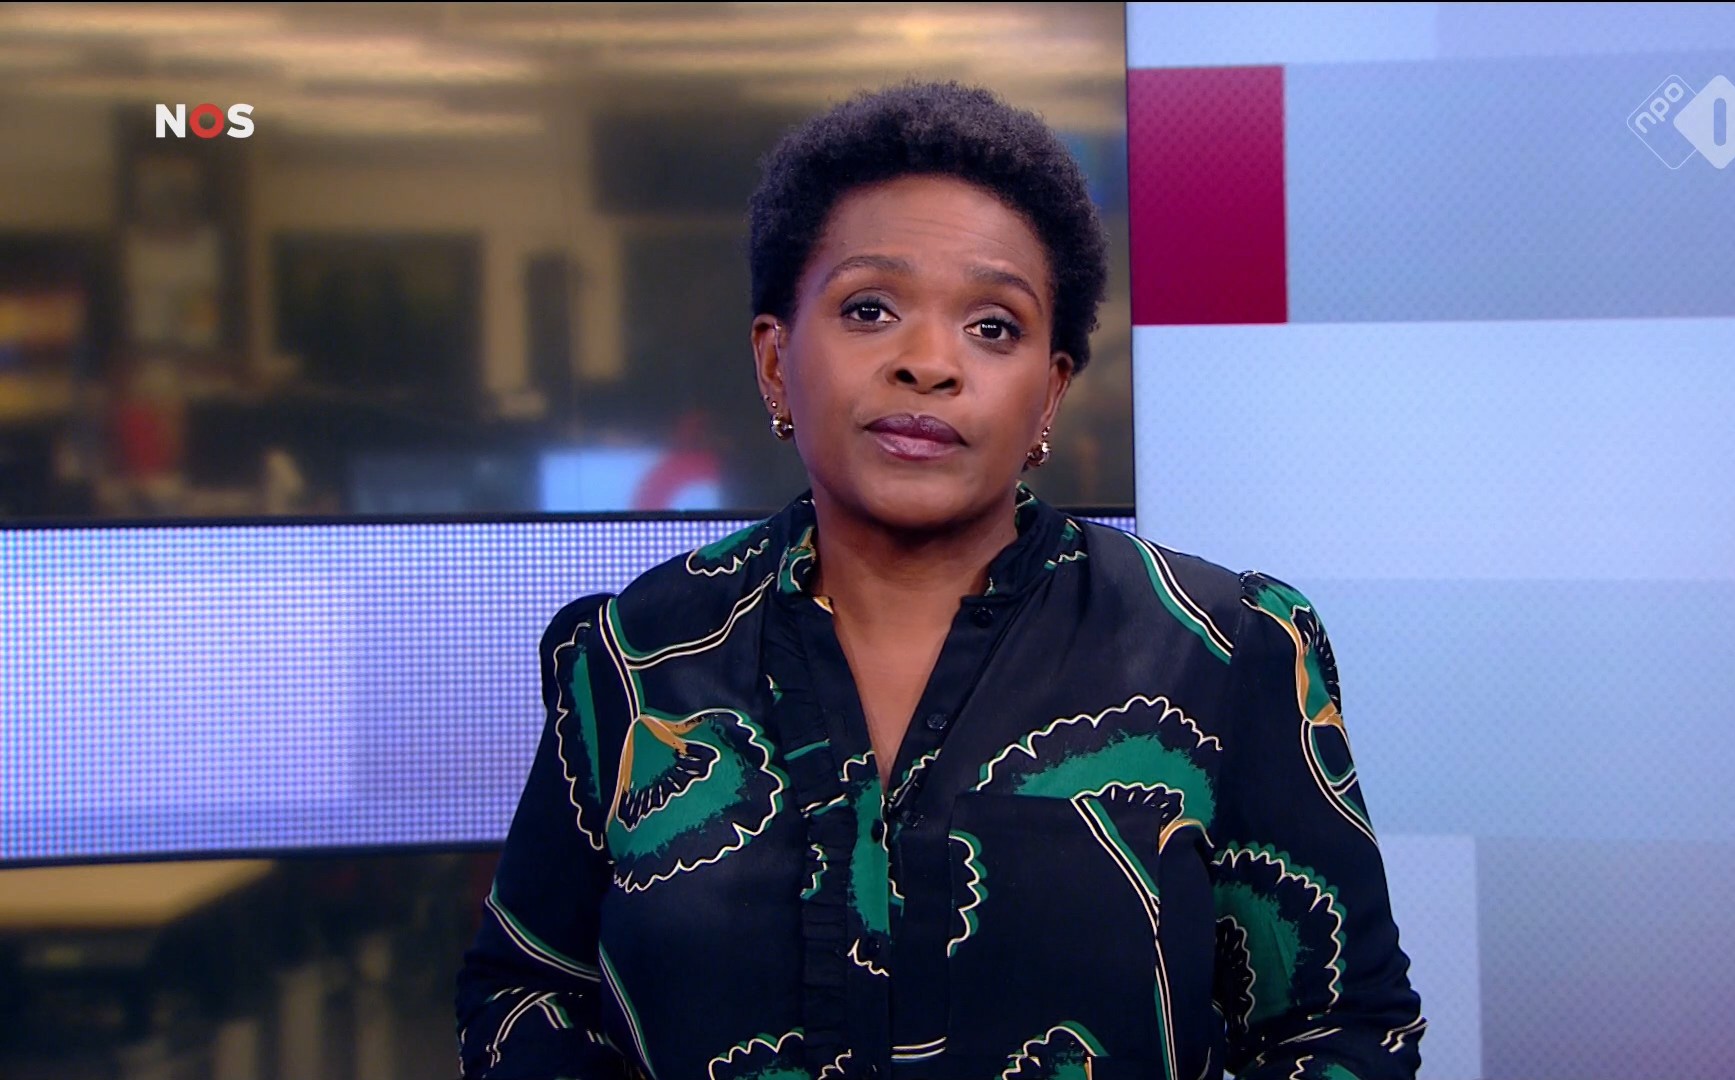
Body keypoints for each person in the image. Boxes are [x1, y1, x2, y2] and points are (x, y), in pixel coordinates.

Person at [456, 82, 1424, 1080]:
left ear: (1050, 392)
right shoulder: (632, 656)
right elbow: (524, 994)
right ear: (776, 361)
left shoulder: (1225, 649)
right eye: (870, 309)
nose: (928, 363)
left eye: (993, 326)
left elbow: (1341, 1027)